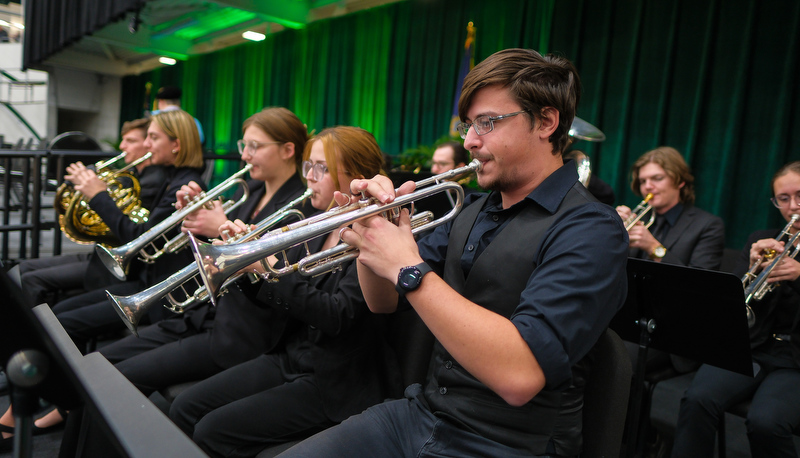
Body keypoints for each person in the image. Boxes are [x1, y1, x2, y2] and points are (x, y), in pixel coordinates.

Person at [278, 48, 629, 457]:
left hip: (508, 444)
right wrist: (373, 230)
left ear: (546, 122)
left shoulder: (592, 228)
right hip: (424, 415)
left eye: (487, 123)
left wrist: (407, 266)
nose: (469, 140)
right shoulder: (474, 209)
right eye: (469, 124)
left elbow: (520, 375)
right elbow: (382, 301)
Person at [168, 126, 403, 457]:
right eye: (308, 165)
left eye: (321, 168)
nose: (309, 177)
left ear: (357, 177)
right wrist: (247, 266)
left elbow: (337, 316)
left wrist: (269, 271)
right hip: (288, 356)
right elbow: (280, 302)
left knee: (212, 430)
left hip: (334, 379)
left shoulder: (376, 233)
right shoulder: (316, 224)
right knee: (185, 406)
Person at [0, 110, 206, 441]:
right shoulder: (170, 178)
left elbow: (137, 238)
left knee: (64, 324)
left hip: (154, 292)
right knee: (58, 318)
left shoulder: (185, 184)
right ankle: (49, 399)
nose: (147, 145)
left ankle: (53, 403)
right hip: (142, 281)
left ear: (177, 145)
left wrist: (98, 195)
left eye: (153, 138)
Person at [95, 107, 314, 395]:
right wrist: (196, 219)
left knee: (119, 377)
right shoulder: (250, 190)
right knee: (102, 362)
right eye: (243, 145)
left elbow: (276, 276)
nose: (245, 155)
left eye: (255, 147)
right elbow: (211, 255)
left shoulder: (301, 206)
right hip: (204, 314)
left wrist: (220, 225)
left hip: (242, 332)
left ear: (288, 150)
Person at [671, 161, 800, 457]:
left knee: (766, 423)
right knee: (696, 399)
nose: (793, 207)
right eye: (783, 198)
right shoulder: (763, 238)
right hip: (752, 348)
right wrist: (752, 266)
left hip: (796, 361)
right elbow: (735, 298)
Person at [14, 117, 162, 307]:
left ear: (148, 144)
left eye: (131, 141)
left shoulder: (151, 182)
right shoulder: (134, 175)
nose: (123, 146)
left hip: (116, 264)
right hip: (102, 253)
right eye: (123, 140)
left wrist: (98, 195)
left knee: (31, 279)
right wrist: (86, 190)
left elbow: (128, 230)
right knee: (23, 267)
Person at [616, 146, 725, 269]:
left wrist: (653, 247)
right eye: (642, 181)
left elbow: (702, 283)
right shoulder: (637, 219)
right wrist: (613, 231)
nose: (647, 186)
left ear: (680, 181)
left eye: (657, 178)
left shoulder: (708, 225)